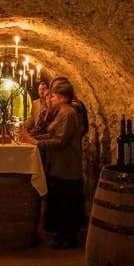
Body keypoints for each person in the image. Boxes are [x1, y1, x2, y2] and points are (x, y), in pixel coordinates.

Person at [21, 80, 85, 248]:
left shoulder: (68, 114)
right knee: (58, 199)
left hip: (66, 164)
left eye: (54, 96)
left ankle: (68, 238)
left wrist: (35, 143)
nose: (50, 100)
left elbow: (59, 141)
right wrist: (32, 139)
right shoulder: (61, 111)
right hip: (58, 164)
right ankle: (61, 234)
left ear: (63, 97)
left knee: (66, 200)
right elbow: (51, 136)